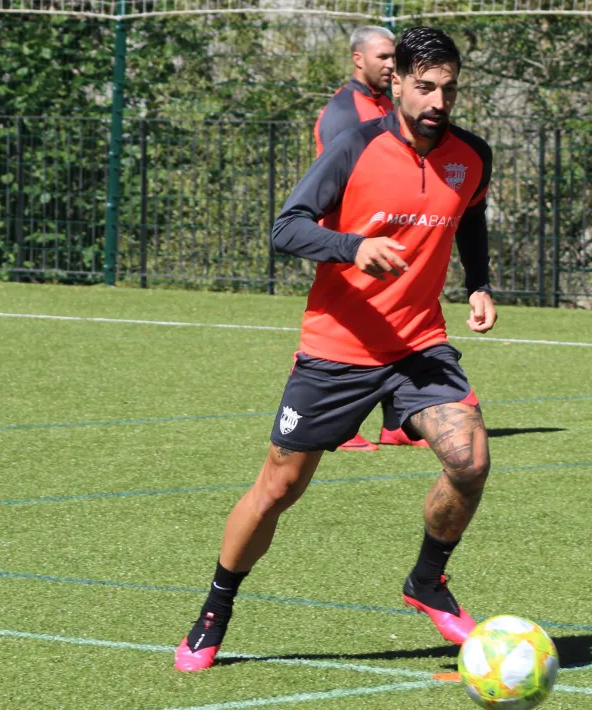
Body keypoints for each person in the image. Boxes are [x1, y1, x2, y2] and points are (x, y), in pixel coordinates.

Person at [175, 26, 496, 672]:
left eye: (450, 89)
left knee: (469, 461)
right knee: (278, 488)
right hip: (337, 347)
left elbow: (472, 212)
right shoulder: (355, 148)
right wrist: (354, 246)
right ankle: (215, 609)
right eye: (425, 86)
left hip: (418, 345)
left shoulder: (472, 155)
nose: (438, 100)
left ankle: (426, 583)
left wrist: (480, 282)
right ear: (397, 82)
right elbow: (286, 227)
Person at [314, 25, 428, 452]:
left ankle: (398, 423)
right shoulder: (345, 113)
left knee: (402, 326)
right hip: (349, 245)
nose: (389, 63)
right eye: (382, 57)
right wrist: (350, 244)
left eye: (393, 57)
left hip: (390, 241)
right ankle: (333, 425)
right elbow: (333, 184)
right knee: (342, 330)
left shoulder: (383, 104)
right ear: (357, 59)